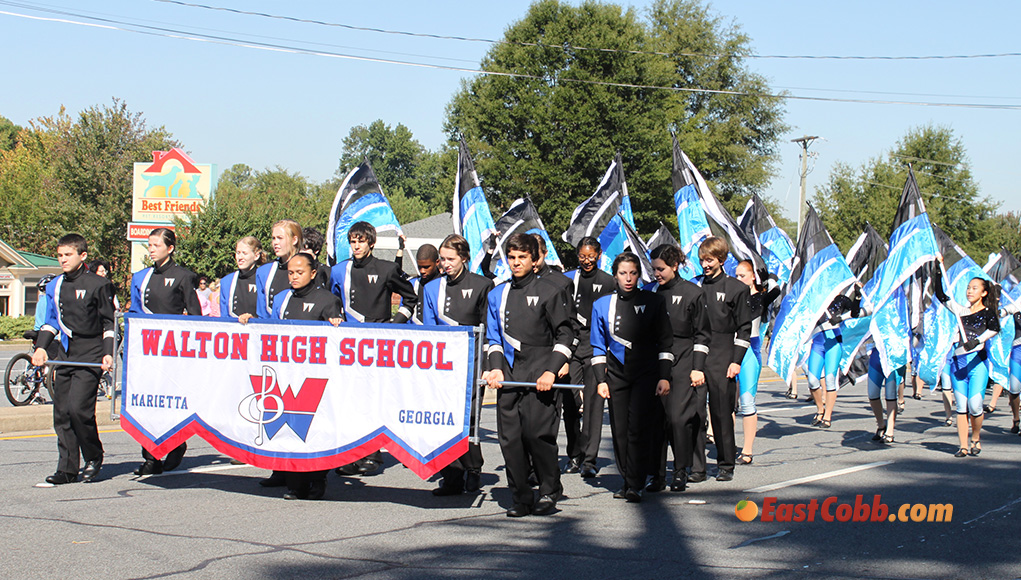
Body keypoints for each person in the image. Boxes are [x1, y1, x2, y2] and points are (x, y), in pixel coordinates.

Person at [483, 233, 574, 517]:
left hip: (540, 372)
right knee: (510, 439)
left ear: (535, 260)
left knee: (538, 435)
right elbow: (493, 337)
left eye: (522, 257)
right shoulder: (497, 294)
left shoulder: (551, 290)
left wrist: (552, 369)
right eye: (511, 257)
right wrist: (495, 366)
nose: (516, 263)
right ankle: (520, 497)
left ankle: (548, 489)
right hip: (509, 373)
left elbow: (565, 333)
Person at [329, 221, 419, 475]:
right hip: (347, 347)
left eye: (361, 241)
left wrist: (395, 324)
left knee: (372, 401)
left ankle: (373, 452)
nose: (356, 246)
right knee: (349, 402)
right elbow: (331, 300)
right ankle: (349, 455)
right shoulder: (339, 271)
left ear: (371, 243)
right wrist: (334, 316)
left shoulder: (387, 269)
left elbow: (411, 297)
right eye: (353, 241)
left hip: (378, 346)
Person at [31, 234, 115, 484]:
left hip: (91, 353)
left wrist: (108, 351)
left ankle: (93, 455)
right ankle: (66, 469)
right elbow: (52, 322)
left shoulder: (98, 284)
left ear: (83, 256)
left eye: (68, 255)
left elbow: (109, 322)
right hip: (67, 353)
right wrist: (41, 348)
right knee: (62, 412)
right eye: (60, 255)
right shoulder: (55, 285)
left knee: (79, 410)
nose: (63, 259)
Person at [590, 252, 673, 502]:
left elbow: (666, 341)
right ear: (615, 275)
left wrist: (664, 376)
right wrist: (600, 381)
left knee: (638, 428)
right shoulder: (601, 304)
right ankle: (627, 479)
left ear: (639, 274)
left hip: (646, 373)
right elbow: (596, 345)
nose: (628, 278)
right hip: (616, 375)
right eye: (623, 273)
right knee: (620, 430)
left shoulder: (654, 301)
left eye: (633, 273)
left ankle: (635, 482)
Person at [421, 234, 494, 495]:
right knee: (444, 419)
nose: (445, 264)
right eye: (442, 259)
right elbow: (429, 331)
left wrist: (487, 364)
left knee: (469, 417)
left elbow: (489, 328)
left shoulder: (483, 285)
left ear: (464, 258)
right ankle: (451, 475)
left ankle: (473, 469)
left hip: (472, 361)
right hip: (442, 364)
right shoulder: (431, 288)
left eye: (450, 259)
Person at [267, 253, 343, 500]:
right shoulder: (281, 299)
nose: (294, 277)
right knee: (289, 431)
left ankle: (318, 479)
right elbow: (269, 330)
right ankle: (295, 484)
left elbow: (336, 341)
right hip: (286, 377)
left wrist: (336, 325)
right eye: (290, 272)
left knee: (314, 431)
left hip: (315, 380)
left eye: (299, 272)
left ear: (312, 273)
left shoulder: (328, 300)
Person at [129, 227, 201, 475]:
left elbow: (195, 316)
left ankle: (176, 444)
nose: (151, 249)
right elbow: (135, 314)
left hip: (173, 352)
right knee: (148, 404)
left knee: (169, 404)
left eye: (156, 245)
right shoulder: (140, 277)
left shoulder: (183, 276)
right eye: (149, 245)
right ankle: (150, 457)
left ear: (170, 248)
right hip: (147, 351)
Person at [647, 244, 709, 491]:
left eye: (660, 269)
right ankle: (657, 475)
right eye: (653, 269)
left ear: (674, 266)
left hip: (683, 361)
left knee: (676, 419)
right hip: (654, 362)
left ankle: (681, 471)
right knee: (656, 421)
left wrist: (698, 368)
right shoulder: (649, 292)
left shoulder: (693, 293)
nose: (656, 274)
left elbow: (702, 335)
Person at [696, 237, 751, 482]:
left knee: (721, 413)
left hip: (723, 356)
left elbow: (744, 329)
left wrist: (736, 360)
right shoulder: (695, 286)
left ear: (721, 260)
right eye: (702, 260)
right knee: (694, 413)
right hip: (697, 356)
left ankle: (726, 463)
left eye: (709, 260)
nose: (705, 265)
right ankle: (695, 466)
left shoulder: (737, 288)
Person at [933, 261, 1000, 457]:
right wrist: (938, 271)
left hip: (977, 364)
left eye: (974, 288)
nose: (970, 291)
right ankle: (962, 446)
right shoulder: (961, 310)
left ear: (984, 293)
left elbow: (994, 329)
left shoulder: (988, 313)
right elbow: (941, 296)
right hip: (958, 365)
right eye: (968, 288)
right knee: (961, 407)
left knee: (975, 406)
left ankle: (976, 437)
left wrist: (977, 341)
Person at [563, 237, 615, 478]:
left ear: (599, 254)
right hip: (571, 347)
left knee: (594, 404)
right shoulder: (568, 279)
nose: (586, 261)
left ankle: (590, 459)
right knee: (571, 402)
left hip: (596, 347)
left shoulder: (607, 281)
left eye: (590, 256)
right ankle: (574, 453)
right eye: (582, 256)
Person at [734, 260, 780, 465]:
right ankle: (726, 446)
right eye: (736, 276)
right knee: (727, 403)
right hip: (731, 349)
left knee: (747, 401)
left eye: (742, 275)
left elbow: (776, 290)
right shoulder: (732, 296)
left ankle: (747, 449)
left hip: (750, 351)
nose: (738, 279)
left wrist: (769, 275)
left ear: (753, 276)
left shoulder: (761, 297)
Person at [805, 284, 865, 429]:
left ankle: (827, 416)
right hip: (817, 343)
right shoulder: (816, 299)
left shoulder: (841, 299)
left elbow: (855, 313)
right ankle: (820, 409)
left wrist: (857, 296)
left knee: (831, 379)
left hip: (834, 343)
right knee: (813, 380)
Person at [256, 220, 303, 319]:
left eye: (280, 238)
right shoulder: (263, 272)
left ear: (294, 240)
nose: (275, 243)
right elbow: (262, 312)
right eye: (273, 238)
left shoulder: (312, 269)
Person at [221, 236, 264, 321]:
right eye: (238, 253)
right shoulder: (227, 281)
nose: (240, 257)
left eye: (244, 253)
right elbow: (224, 315)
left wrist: (253, 319)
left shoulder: (263, 279)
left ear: (256, 256)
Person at [867, 350, 905, 444]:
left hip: (895, 356)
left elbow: (916, 336)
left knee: (891, 394)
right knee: (872, 394)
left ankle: (890, 431)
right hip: (877, 355)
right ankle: (881, 425)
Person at [998, 297, 1021, 434]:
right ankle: (1016, 418)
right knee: (1014, 388)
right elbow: (1004, 311)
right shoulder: (1017, 303)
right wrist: (996, 312)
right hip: (1018, 350)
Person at [407, 244, 441, 325]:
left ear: (437, 262)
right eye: (419, 267)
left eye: (426, 267)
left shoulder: (445, 284)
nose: (422, 271)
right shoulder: (412, 285)